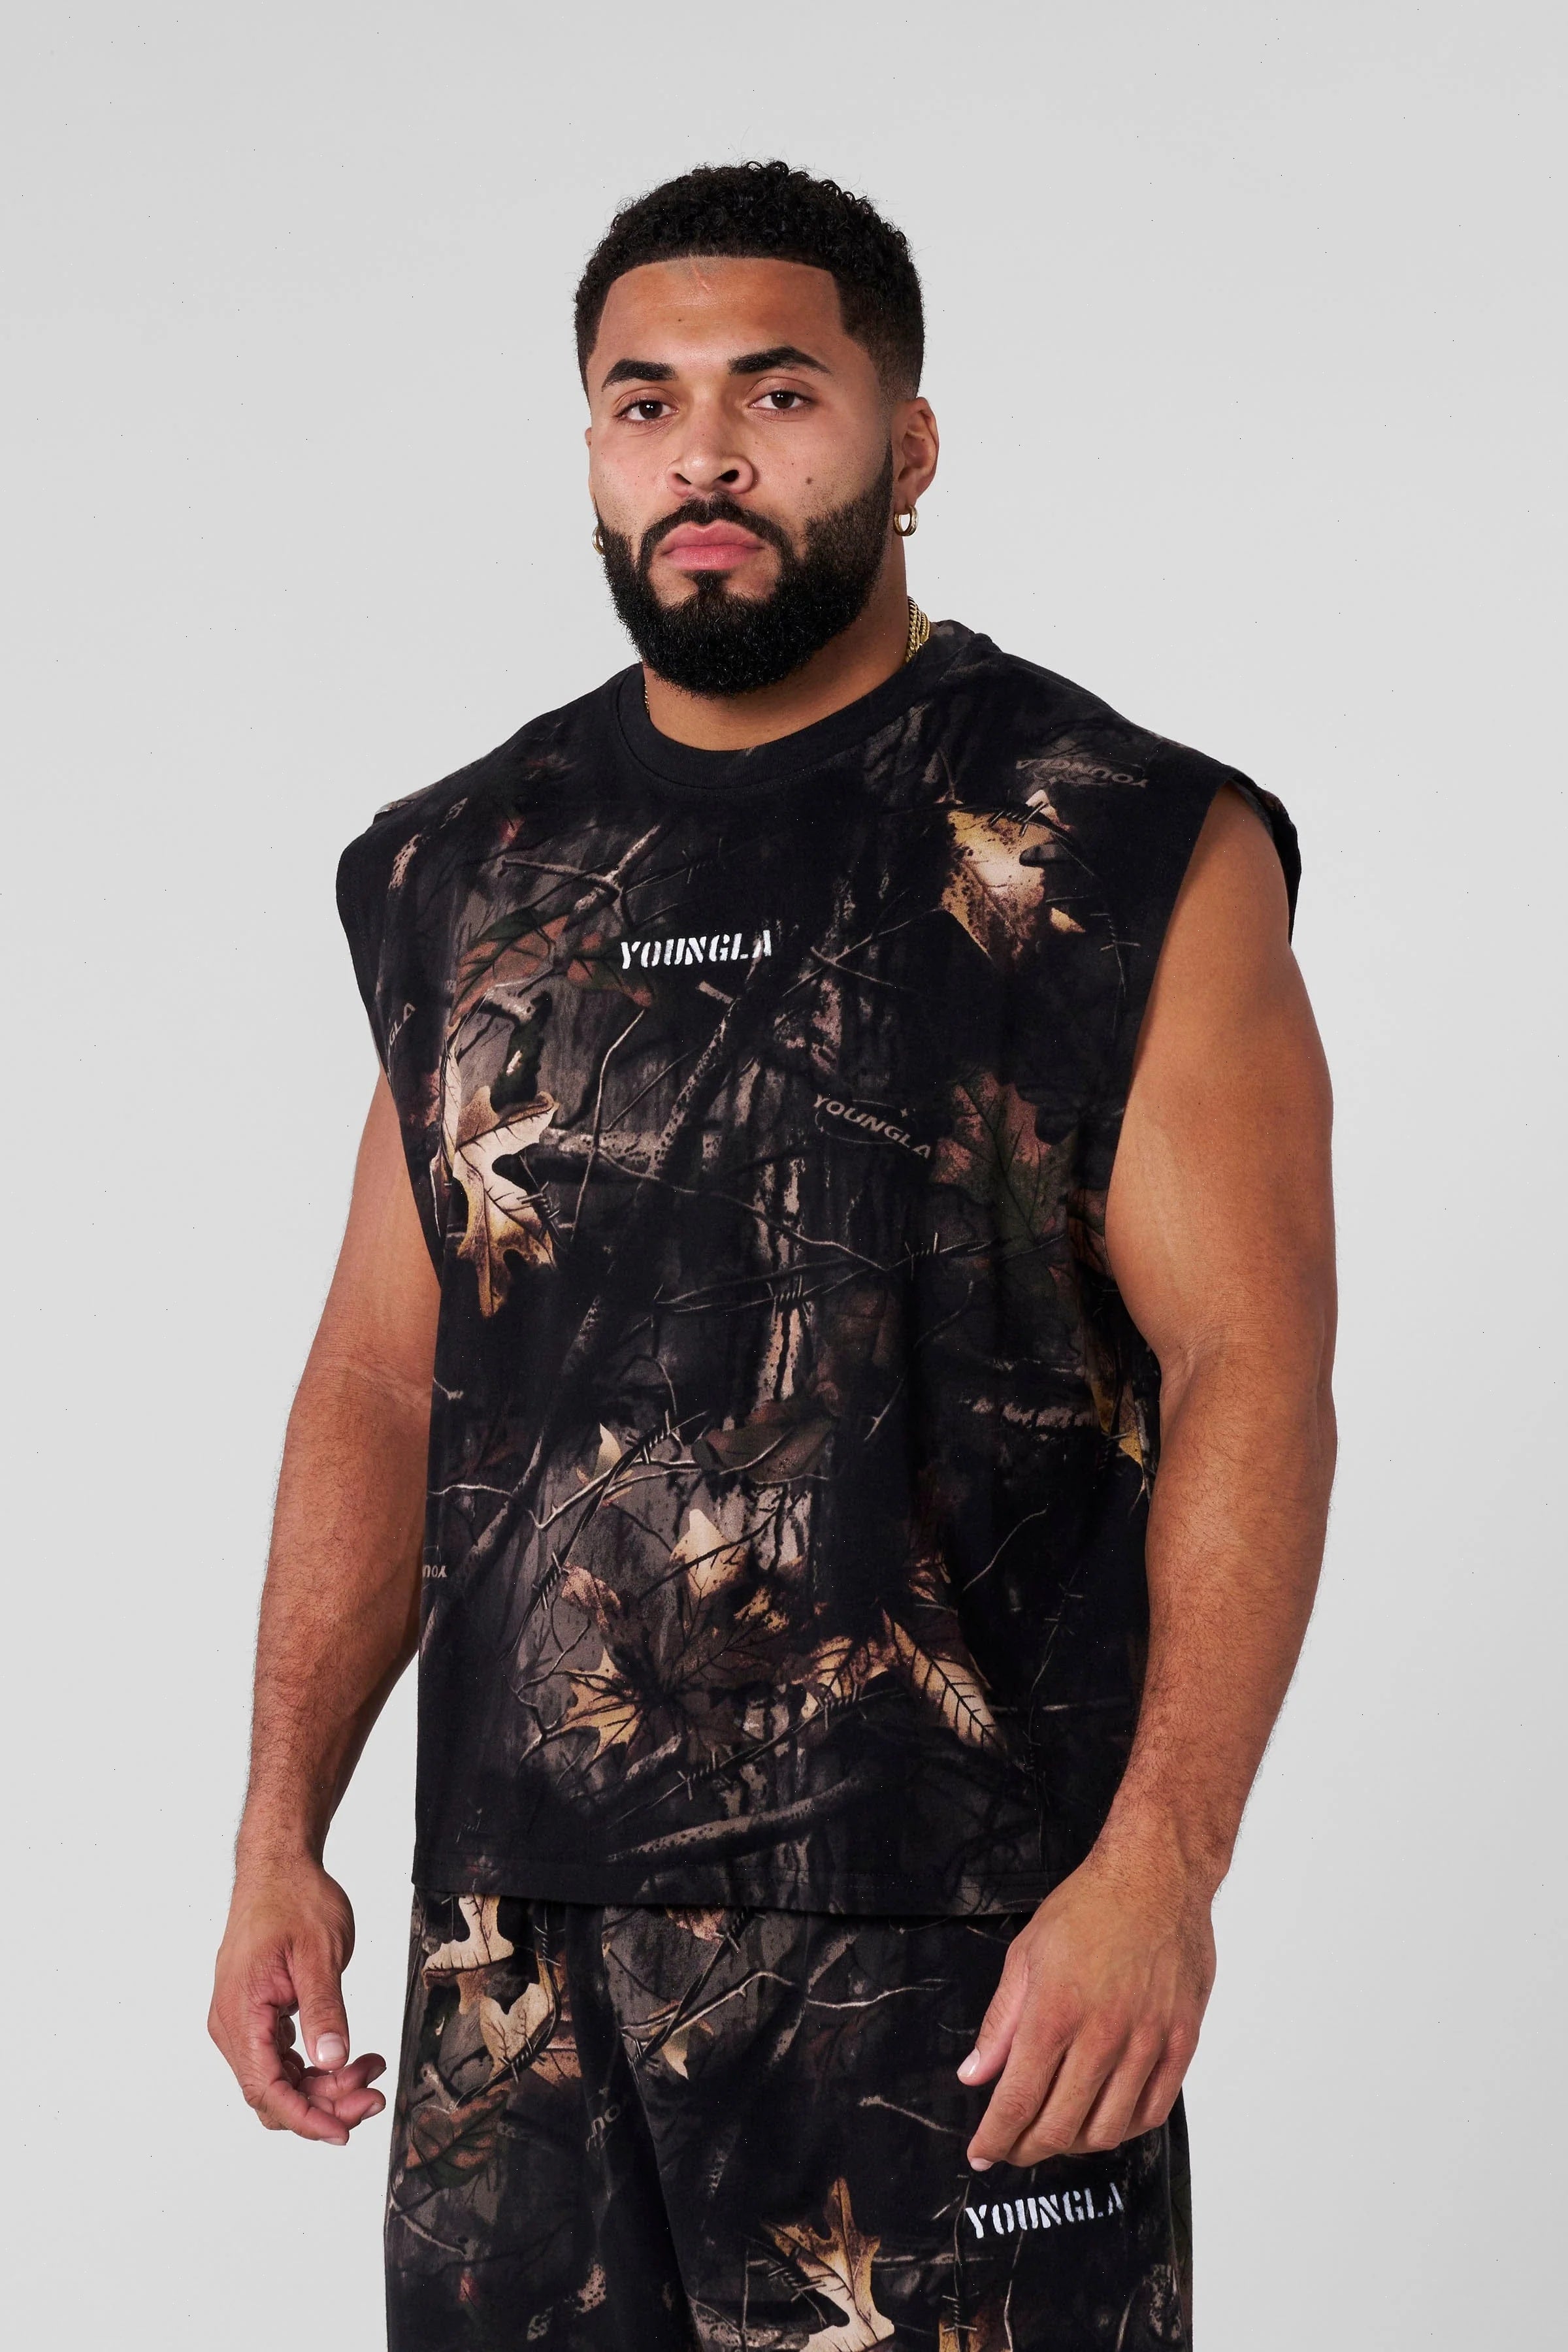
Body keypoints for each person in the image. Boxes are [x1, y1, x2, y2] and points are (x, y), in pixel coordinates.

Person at [209, 160, 1335, 2350]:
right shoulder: (467, 867)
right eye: (645, 403)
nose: (704, 454)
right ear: (594, 449)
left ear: (909, 448)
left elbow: (1252, 1369)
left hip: (962, 1953)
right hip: (514, 1977)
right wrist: (279, 1832)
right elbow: (378, 1373)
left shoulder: (1112, 842)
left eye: (778, 394)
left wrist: (1164, 1869)